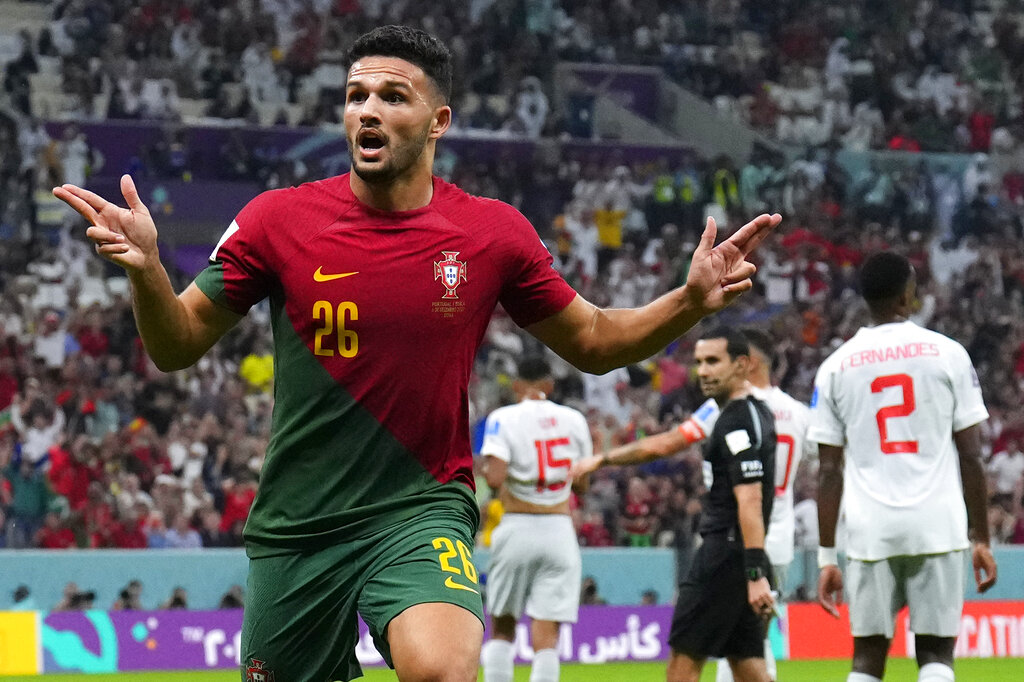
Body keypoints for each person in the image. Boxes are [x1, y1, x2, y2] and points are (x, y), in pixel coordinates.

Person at [52, 25, 781, 682]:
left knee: (439, 669)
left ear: (437, 123)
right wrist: (148, 270)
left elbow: (594, 342)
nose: (366, 110)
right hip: (298, 524)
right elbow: (176, 344)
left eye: (392, 97)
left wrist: (687, 302)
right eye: (355, 95)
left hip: (419, 509)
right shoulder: (276, 221)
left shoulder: (492, 234)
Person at [810, 252, 998, 682]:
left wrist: (825, 558)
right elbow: (971, 455)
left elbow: (828, 472)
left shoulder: (835, 367)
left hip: (868, 531)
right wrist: (981, 537)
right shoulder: (948, 354)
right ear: (908, 295)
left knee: (867, 658)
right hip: (938, 525)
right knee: (935, 654)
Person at [575, 327, 777, 682]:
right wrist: (602, 459)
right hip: (739, 555)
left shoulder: (735, 420)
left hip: (723, 556)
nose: (704, 371)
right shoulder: (737, 411)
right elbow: (664, 443)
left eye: (714, 361)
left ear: (742, 365)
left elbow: (750, 498)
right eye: (699, 362)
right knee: (749, 667)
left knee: (682, 668)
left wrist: (756, 573)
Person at [479, 356, 593, 682]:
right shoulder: (574, 419)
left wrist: (486, 467)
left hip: (517, 525)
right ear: (550, 385)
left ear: (517, 385)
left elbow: (497, 477)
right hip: (559, 530)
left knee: (502, 625)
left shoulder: (503, 418)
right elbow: (582, 483)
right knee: (547, 635)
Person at [716, 328, 814, 682]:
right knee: (754, 633)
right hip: (780, 538)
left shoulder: (732, 407)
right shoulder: (799, 413)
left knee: (732, 635)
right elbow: (823, 459)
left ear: (750, 363)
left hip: (738, 534)